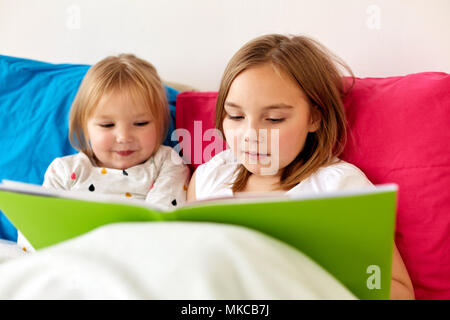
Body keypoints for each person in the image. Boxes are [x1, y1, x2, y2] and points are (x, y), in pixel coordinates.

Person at [187, 34, 415, 300]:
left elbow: (398, 291)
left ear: (314, 117)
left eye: (273, 119)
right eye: (236, 116)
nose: (250, 134)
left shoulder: (339, 187)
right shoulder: (209, 177)